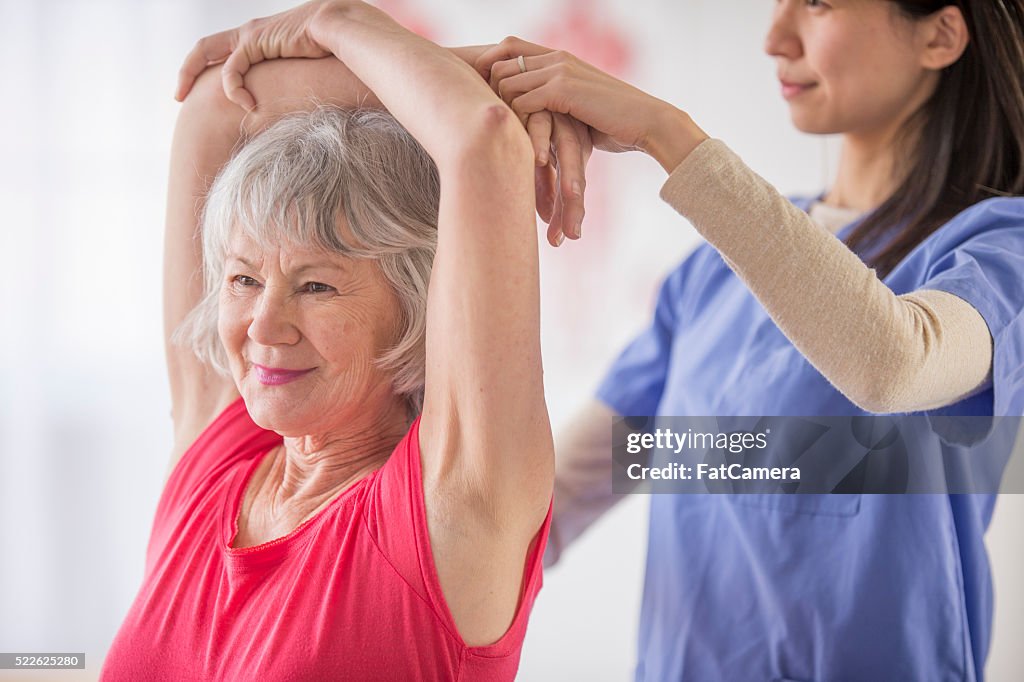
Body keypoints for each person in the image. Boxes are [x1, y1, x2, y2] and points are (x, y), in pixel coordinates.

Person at [468, 0, 1024, 680]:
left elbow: (894, 363)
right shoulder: (711, 275)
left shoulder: (996, 252)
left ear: (940, 34)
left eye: (818, 5)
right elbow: (539, 513)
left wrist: (663, 133)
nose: (774, 38)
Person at [100, 2, 555, 679]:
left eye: (316, 287)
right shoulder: (215, 458)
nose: (262, 326)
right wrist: (473, 69)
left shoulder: (449, 506)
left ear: (413, 310)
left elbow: (480, 135)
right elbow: (216, 104)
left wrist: (337, 20)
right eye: (245, 279)